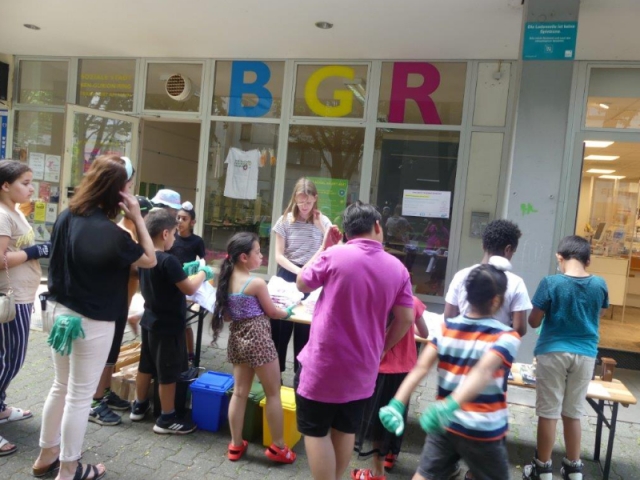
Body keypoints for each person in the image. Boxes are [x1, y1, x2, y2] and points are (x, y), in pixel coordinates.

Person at [33, 154, 156, 480]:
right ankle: (69, 469)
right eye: (128, 187)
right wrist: (137, 217)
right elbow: (150, 259)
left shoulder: (66, 216)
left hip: (59, 313)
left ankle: (46, 455)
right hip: (93, 320)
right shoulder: (113, 234)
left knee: (60, 386)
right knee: (79, 396)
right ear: (118, 191)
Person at [295, 201, 415, 480]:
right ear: (377, 226)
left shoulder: (334, 255)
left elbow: (302, 283)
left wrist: (324, 248)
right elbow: (406, 319)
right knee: (346, 428)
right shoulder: (398, 268)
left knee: (316, 430)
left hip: (324, 362)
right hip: (363, 366)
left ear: (347, 232)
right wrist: (382, 348)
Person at [379, 258, 521, 480]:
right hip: (483, 429)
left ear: (467, 295)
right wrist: (450, 406)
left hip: (445, 426)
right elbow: (483, 372)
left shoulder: (445, 329)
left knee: (424, 475)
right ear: (497, 301)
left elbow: (421, 367)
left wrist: (397, 403)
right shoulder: (506, 337)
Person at [523, 235, 608, 480]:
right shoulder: (600, 284)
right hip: (586, 354)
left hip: (553, 352)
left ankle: (542, 469)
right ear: (588, 260)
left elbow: (533, 321)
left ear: (559, 257)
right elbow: (600, 313)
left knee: (548, 412)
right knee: (573, 413)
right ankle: (573, 469)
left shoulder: (550, 283)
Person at [212, 232, 296, 464]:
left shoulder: (225, 280)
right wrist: (288, 311)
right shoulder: (256, 283)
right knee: (273, 392)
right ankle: (278, 446)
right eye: (258, 252)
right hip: (259, 340)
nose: (261, 256)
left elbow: (227, 316)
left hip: (237, 339)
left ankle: (235, 444)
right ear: (243, 257)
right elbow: (273, 312)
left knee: (239, 392)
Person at [129, 209, 212, 434]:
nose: (175, 238)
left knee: (146, 365)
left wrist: (184, 271)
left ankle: (139, 406)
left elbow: (166, 280)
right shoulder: (168, 260)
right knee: (168, 372)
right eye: (174, 233)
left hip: (150, 321)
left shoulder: (145, 258)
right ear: (165, 234)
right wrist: (203, 273)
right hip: (168, 326)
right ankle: (166, 418)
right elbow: (190, 288)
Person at [89, 194, 154, 426]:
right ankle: (95, 402)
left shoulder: (129, 233)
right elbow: (135, 269)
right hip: (112, 304)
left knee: (113, 353)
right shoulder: (123, 233)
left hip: (120, 304)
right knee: (106, 355)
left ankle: (105, 392)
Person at [0, 160, 50, 457]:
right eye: (25, 183)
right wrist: (34, 251)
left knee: (7, 357)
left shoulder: (14, 211)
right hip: (11, 299)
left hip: (21, 296)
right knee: (11, 360)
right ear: (5, 185)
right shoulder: (2, 215)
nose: (31, 188)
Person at [351, 296, 429, 480]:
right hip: (405, 369)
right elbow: (424, 333)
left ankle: (377, 472)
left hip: (380, 368)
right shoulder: (412, 301)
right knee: (396, 413)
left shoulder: (377, 299)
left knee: (377, 419)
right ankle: (391, 455)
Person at [271, 178, 331, 377]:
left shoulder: (323, 221)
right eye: (301, 202)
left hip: (313, 277)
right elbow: (279, 255)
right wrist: (298, 272)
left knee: (306, 330)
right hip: (288, 275)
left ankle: (302, 376)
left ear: (315, 198)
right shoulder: (284, 220)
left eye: (309, 202)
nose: (305, 206)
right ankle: (275, 375)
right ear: (295, 199)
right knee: (281, 327)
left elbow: (333, 248)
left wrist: (321, 227)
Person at [444, 219, 531, 338]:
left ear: (483, 246)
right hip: (496, 344)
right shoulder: (516, 282)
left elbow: (448, 316)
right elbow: (519, 328)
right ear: (508, 249)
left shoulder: (461, 275)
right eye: (513, 252)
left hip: (462, 341)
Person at [169, 200, 206, 365]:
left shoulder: (197, 241)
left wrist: (200, 276)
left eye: (184, 219)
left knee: (186, 321)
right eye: (178, 217)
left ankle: (190, 355)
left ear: (192, 222)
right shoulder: (171, 236)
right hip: (169, 282)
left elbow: (203, 262)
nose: (180, 221)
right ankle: (172, 350)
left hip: (185, 284)